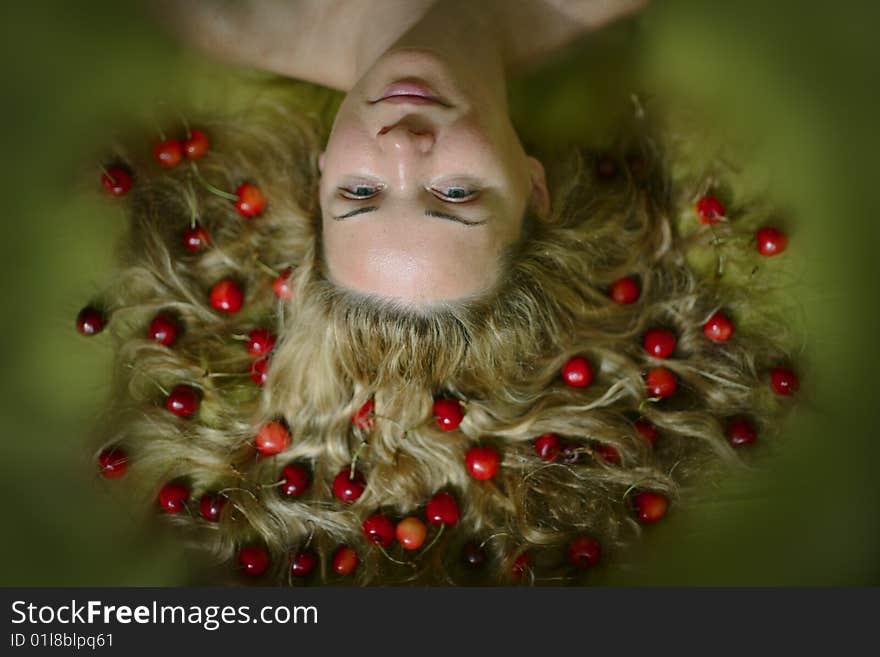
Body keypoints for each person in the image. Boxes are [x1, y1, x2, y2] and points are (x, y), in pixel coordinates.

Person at [83, 0, 800, 585]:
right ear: (535, 184)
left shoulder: (220, 14)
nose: (401, 144)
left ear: (321, 173)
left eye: (360, 193)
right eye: (454, 194)